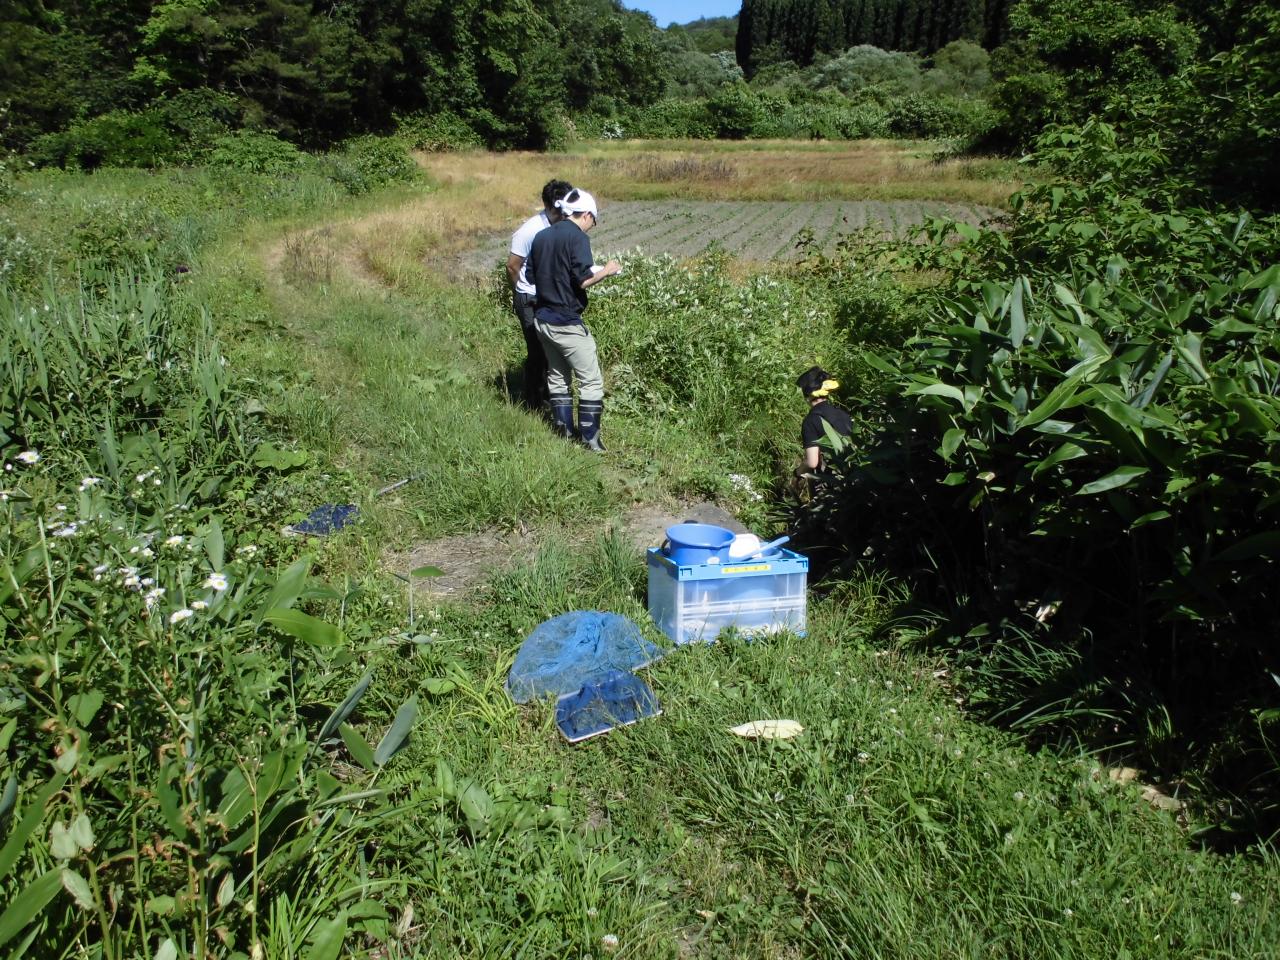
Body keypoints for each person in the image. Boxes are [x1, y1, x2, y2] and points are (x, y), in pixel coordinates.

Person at [525, 188, 622, 452]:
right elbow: (583, 279)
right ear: (587, 215)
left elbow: (532, 276)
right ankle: (590, 439)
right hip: (565, 321)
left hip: (542, 319)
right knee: (591, 380)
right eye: (594, 221)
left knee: (557, 376)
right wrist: (607, 271)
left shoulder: (541, 236)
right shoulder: (577, 238)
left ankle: (563, 434)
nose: (592, 227)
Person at [507, 179, 574, 411]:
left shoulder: (564, 226)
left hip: (549, 298)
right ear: (550, 205)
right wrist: (522, 292)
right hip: (530, 299)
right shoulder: (530, 230)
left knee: (552, 349)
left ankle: (550, 397)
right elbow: (513, 266)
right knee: (537, 351)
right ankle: (533, 402)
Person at [795, 365, 853, 477]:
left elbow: (812, 462)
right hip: (856, 472)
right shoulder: (843, 413)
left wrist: (797, 472)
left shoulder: (810, 420)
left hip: (834, 480)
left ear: (807, 396)